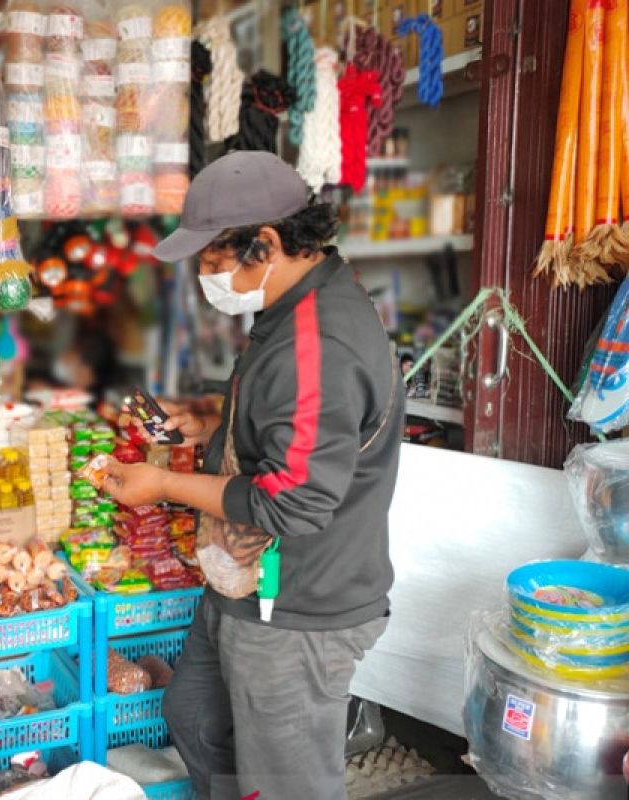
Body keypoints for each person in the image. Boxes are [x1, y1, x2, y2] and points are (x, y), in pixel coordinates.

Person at [102, 151, 400, 800]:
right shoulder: (290, 308)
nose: (206, 278)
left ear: (264, 245)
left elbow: (293, 500)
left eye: (212, 261)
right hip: (244, 584)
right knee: (196, 715)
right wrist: (212, 426)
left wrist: (163, 486)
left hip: (298, 605)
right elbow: (294, 433)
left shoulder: (320, 340)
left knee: (285, 779)